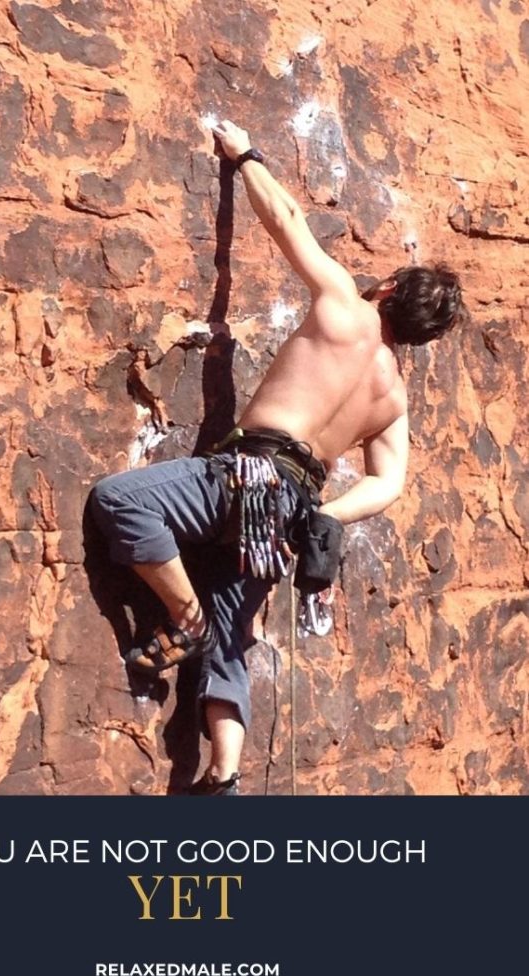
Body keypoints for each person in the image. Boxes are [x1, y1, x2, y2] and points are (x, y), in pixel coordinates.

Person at [89, 119, 464, 795]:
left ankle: (183, 618)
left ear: (384, 292)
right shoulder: (392, 395)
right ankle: (223, 776)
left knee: (123, 499)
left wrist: (246, 157)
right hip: (288, 509)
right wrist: (324, 514)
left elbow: (286, 220)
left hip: (245, 474)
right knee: (234, 640)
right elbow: (388, 483)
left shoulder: (343, 307)